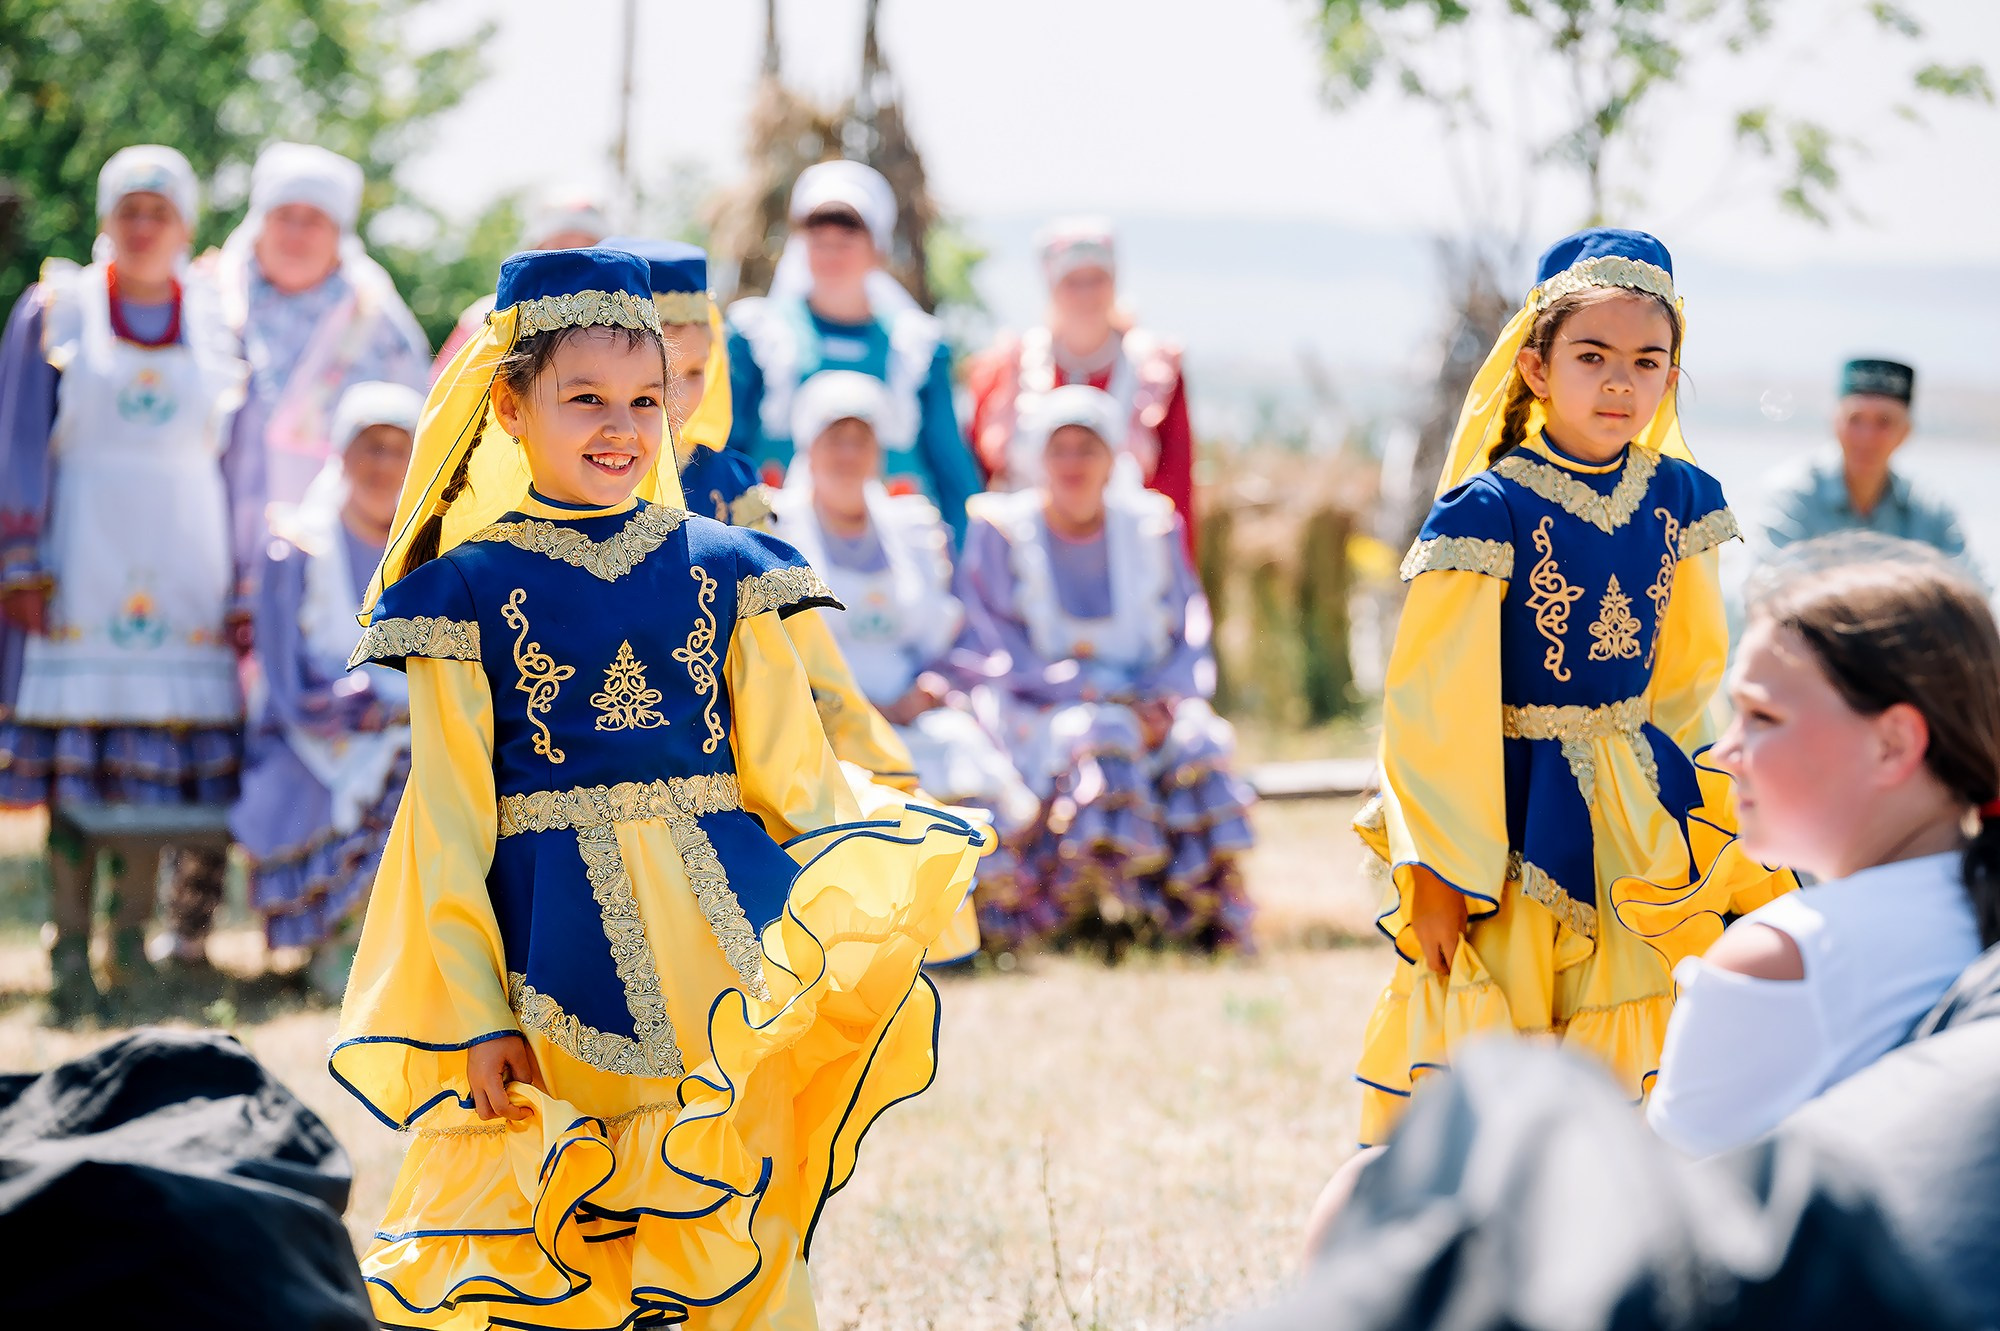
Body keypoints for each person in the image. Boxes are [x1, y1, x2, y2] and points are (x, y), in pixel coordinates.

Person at [330, 247, 984, 1330]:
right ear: (509, 401)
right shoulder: (460, 595)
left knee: (718, 1202)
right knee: (568, 1225)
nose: (619, 426)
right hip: (549, 962)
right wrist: (472, 1012)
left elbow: (794, 776)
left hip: (720, 958)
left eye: (644, 398)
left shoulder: (731, 568)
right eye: (582, 398)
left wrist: (874, 869)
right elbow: (445, 822)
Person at [1350, 227, 1795, 1147]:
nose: (1620, 382)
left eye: (1647, 360)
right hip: (1508, 822)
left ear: (1673, 375)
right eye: (1592, 357)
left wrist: (1699, 813)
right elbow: (1434, 705)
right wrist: (1436, 868)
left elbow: (1689, 681)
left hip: (1637, 816)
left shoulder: (1684, 500)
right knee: (1515, 1035)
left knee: (1642, 1024)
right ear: (1537, 368)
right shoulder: (1488, 510)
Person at [0, 146, 250, 1020]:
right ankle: (68, 947)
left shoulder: (221, 318)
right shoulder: (55, 310)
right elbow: (18, 434)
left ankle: (132, 943)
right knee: (77, 767)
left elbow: (243, 457)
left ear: (186, 224)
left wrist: (248, 576)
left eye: (161, 210)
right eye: (130, 209)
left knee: (153, 768)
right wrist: (18, 553)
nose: (144, 226)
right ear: (109, 219)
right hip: (81, 559)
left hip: (189, 564)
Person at [1648, 549, 1994, 1156]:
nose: (1723, 753)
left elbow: (1658, 1220)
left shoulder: (1784, 958)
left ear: (1893, 743)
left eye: (1761, 716)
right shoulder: (1971, 911)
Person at [956, 384, 1253, 952]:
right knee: (1100, 735)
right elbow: (994, 639)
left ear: (1111, 456)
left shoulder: (1151, 526)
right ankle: (1077, 912)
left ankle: (1190, 915)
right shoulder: (1000, 529)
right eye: (1059, 448)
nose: (1073, 463)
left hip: (1145, 697)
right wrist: (1095, 695)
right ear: (1038, 457)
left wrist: (1167, 697)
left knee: (1200, 742)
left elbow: (1188, 622)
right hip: (1037, 701)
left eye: (1087, 448)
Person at [773, 372, 1039, 924]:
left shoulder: (913, 529)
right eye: (834, 438)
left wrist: (932, 687)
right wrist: (859, 710)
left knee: (964, 760)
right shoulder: (777, 531)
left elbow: (951, 634)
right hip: (826, 725)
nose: (848, 453)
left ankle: (972, 922)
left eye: (861, 439)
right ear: (809, 445)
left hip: (910, 713)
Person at [230, 381, 420, 1000]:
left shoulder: (431, 551)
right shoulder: (297, 547)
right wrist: (346, 706)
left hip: (403, 725)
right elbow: (281, 678)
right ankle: (335, 943)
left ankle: (394, 950)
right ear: (341, 454)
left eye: (400, 449)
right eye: (370, 447)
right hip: (306, 733)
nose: (384, 465)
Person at [726, 160, 982, 542]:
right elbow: (728, 451)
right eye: (818, 236)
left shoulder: (917, 346)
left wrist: (967, 567)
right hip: (779, 553)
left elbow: (950, 467)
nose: (832, 250)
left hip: (895, 554)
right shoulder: (758, 335)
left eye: (847, 236)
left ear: (877, 248)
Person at [216, 141, 429, 534]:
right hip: (217, 525)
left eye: (313, 218)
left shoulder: (378, 318)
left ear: (338, 234)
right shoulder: (212, 298)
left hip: (341, 540)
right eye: (284, 215)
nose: (296, 232)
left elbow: (421, 431)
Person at [965, 217, 1198, 552]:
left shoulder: (1154, 372)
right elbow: (977, 479)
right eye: (1073, 281)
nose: (1086, 293)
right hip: (1024, 561)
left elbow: (1177, 486)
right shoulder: (1008, 368)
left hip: (1126, 561)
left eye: (1097, 279)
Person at [1757, 359, 1973, 573]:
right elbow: (1767, 591)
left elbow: (1975, 589)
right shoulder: (1790, 496)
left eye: (1884, 421)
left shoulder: (1931, 510)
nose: (1867, 437)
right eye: (1855, 419)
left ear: (1906, 432)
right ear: (1835, 422)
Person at [433, 188, 612, 372]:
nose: (576, 261)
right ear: (535, 249)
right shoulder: (486, 317)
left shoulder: (624, 327)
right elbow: (443, 392)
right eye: (561, 249)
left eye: (590, 250)